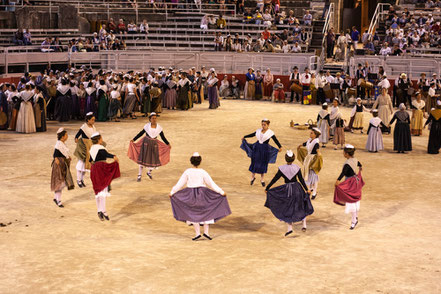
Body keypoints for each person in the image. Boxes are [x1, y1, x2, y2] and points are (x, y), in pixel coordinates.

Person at [169, 152, 231, 241]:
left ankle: (197, 233)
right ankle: (206, 233)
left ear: (191, 161)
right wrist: (221, 192)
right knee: (206, 211)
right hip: (203, 194)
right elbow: (211, 184)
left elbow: (180, 184)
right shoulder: (203, 172)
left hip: (190, 195)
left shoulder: (188, 172)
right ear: (200, 161)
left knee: (193, 212)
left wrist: (172, 192)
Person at [265, 150, 313, 236]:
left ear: (285, 158)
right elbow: (301, 180)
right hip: (297, 189)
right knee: (301, 206)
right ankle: (304, 225)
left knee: (288, 208)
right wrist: (306, 189)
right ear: (293, 158)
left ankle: (289, 228)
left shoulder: (282, 169)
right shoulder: (297, 168)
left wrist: (268, 187)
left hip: (287, 190)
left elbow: (275, 179)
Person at [128, 113, 171, 182]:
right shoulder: (147, 126)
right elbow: (141, 133)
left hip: (154, 145)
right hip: (146, 143)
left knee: (154, 159)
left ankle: (149, 172)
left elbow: (163, 137)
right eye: (153, 118)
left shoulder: (159, 128)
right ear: (150, 119)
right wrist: (134, 139)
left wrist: (168, 143)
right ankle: (139, 174)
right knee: (143, 158)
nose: (154, 120)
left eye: (155, 118)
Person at [241, 119, 282, 187]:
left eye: (264, 125)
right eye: (262, 124)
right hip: (257, 148)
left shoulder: (270, 133)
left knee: (263, 162)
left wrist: (280, 146)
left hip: (265, 149)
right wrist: (245, 136)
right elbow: (252, 134)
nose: (263, 126)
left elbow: (275, 140)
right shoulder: (258, 130)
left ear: (268, 125)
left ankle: (262, 179)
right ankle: (253, 177)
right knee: (254, 161)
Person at [89, 132, 120, 221]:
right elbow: (106, 155)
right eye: (101, 138)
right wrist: (113, 156)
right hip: (101, 169)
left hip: (94, 170)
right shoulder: (100, 148)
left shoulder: (92, 148)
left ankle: (99, 210)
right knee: (103, 190)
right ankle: (104, 211)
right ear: (99, 139)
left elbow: (90, 160)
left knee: (98, 190)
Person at [333, 144, 364, 230]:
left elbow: (344, 172)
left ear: (346, 154)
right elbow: (359, 163)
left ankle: (354, 221)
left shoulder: (347, 163)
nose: (343, 153)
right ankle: (356, 218)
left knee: (351, 201)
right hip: (356, 181)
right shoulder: (354, 159)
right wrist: (360, 167)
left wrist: (338, 180)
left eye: (344, 152)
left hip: (350, 182)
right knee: (355, 199)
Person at [51, 128, 74, 208]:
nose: (67, 136)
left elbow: (63, 153)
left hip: (62, 163)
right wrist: (56, 159)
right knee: (60, 183)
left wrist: (68, 157)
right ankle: (58, 200)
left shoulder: (62, 143)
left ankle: (56, 198)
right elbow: (55, 154)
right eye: (66, 135)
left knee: (61, 182)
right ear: (63, 136)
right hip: (59, 165)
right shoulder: (59, 144)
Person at [297, 128, 323, 200]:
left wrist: (318, 153)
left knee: (314, 175)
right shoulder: (310, 140)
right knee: (309, 174)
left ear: (315, 135)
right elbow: (306, 143)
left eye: (312, 133)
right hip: (308, 159)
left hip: (313, 160)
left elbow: (317, 148)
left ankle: (314, 191)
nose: (310, 134)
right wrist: (300, 145)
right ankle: (311, 188)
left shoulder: (316, 142)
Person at [74, 113, 97, 188]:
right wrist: (76, 139)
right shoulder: (84, 127)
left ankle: (82, 180)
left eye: (94, 120)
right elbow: (77, 135)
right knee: (81, 163)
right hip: (84, 146)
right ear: (88, 120)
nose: (94, 121)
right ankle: (78, 180)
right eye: (92, 120)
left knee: (86, 165)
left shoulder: (93, 127)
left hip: (90, 146)